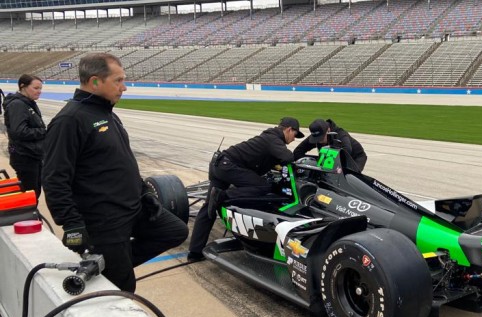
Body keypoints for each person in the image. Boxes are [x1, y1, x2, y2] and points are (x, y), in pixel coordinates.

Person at [42, 53, 188, 292]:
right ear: (95, 81)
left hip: (134, 208)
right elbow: (54, 178)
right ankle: (112, 268)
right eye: (118, 80)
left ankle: (107, 266)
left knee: (175, 230)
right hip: (105, 221)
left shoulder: (106, 113)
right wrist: (71, 224)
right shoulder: (70, 120)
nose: (124, 87)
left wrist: (145, 195)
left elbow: (124, 162)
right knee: (125, 288)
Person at [187, 117, 304, 261]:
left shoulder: (268, 138)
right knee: (263, 186)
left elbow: (271, 159)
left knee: (208, 209)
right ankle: (222, 195)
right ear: (288, 129)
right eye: (294, 135)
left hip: (219, 165)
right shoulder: (273, 138)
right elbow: (288, 157)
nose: (294, 139)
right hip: (228, 166)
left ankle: (194, 253)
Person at [2, 74, 45, 200]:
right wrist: (44, 131)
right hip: (25, 156)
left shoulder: (28, 103)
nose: (39, 92)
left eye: (40, 89)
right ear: (23, 87)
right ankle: (27, 218)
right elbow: (19, 131)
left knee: (34, 193)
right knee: (30, 195)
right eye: (36, 88)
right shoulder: (18, 105)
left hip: (32, 155)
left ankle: (30, 217)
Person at [293, 118, 367, 172]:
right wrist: (313, 162)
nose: (319, 141)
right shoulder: (318, 134)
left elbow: (346, 152)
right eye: (316, 139)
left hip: (355, 157)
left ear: (328, 130)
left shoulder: (340, 134)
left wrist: (324, 161)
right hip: (331, 158)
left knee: (349, 176)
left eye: (321, 138)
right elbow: (297, 152)